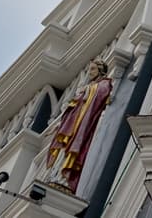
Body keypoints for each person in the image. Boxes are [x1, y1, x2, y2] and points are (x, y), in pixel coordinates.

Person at [45, 60, 114, 192]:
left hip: (83, 127)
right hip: (72, 127)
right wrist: (61, 125)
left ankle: (64, 179)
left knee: (73, 150)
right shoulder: (88, 87)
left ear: (100, 70)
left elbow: (102, 94)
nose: (90, 72)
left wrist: (88, 90)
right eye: (89, 69)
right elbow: (73, 111)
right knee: (63, 150)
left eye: (93, 69)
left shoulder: (103, 84)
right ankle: (55, 176)